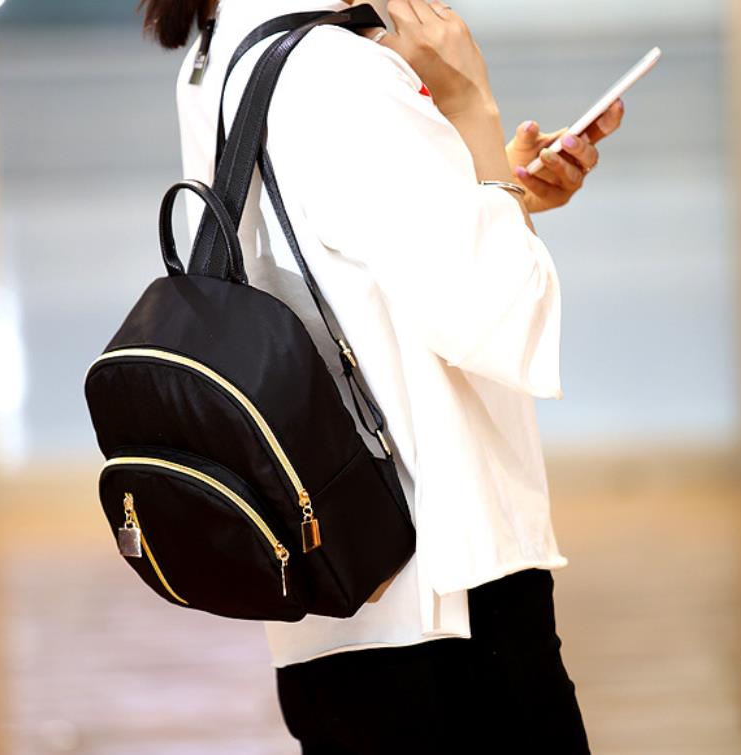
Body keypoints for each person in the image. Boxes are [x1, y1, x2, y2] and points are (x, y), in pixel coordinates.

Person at [139, 0, 624, 752]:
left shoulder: (217, 43)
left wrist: (498, 187)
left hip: (330, 585)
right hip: (447, 584)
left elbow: (346, 271)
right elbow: (500, 315)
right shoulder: (343, 71)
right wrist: (469, 102)